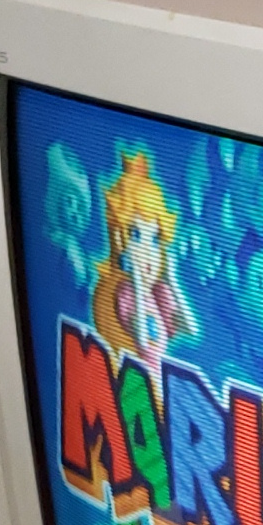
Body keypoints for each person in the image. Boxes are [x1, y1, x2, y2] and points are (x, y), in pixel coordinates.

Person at [91, 149, 195, 380]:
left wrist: (172, 280)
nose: (148, 251)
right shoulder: (125, 294)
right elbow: (143, 341)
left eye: (155, 239)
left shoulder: (160, 292)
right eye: (136, 235)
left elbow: (190, 328)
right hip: (135, 387)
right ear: (119, 240)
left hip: (162, 387)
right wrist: (137, 284)